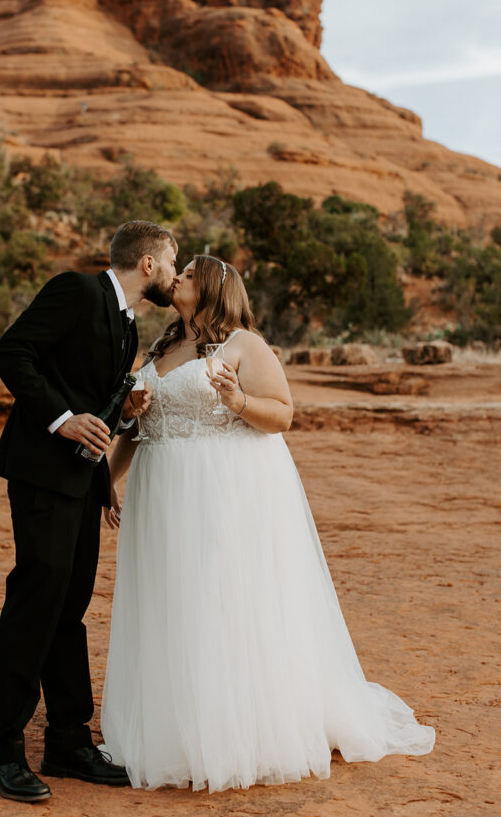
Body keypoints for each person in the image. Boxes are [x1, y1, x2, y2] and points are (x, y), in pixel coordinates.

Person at [101, 254, 435, 792]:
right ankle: (173, 725)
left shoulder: (244, 345)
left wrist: (238, 399)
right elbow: (138, 429)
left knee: (220, 601)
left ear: (211, 288)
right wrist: (110, 478)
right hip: (161, 494)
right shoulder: (161, 348)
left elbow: (282, 413)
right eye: (178, 270)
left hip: (216, 492)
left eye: (188, 273)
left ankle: (234, 732)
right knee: (172, 602)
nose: (178, 277)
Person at [0, 220, 177, 803]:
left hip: (80, 483)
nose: (173, 272)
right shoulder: (77, 290)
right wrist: (61, 417)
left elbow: (96, 399)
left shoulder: (126, 322)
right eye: (172, 262)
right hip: (42, 475)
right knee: (36, 603)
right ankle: (3, 753)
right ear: (148, 263)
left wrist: (120, 412)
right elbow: (11, 352)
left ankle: (68, 740)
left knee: (69, 610)